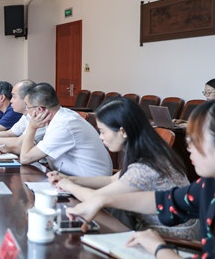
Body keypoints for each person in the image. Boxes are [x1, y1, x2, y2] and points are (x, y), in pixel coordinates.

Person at [68, 100, 215, 259]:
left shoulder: (148, 164)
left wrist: (157, 246)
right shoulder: (207, 184)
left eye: (196, 139)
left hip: (182, 252)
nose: (188, 146)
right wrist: (102, 200)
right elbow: (165, 201)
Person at [49, 97, 198, 239]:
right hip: (149, 228)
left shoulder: (145, 167)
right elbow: (112, 180)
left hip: (169, 238)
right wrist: (70, 179)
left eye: (103, 131)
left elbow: (95, 198)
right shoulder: (148, 151)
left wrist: (68, 185)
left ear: (123, 132)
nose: (100, 137)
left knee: (91, 216)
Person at [19, 83, 112, 176]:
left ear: (40, 110)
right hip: (72, 178)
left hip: (90, 182)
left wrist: (32, 127)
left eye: (27, 106)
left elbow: (25, 159)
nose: (26, 110)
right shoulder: (61, 116)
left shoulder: (63, 125)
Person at [0, 80, 45, 153]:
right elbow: (11, 133)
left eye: (14, 97)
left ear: (26, 98)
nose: (11, 100)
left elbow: (20, 142)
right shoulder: (26, 115)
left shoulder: (40, 116)